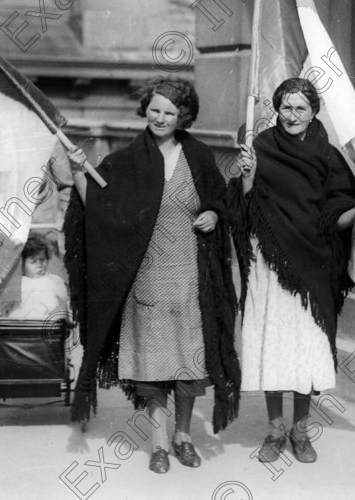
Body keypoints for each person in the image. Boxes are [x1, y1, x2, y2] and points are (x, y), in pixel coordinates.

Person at [65, 78, 241, 473]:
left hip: (192, 278)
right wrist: (79, 171)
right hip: (146, 278)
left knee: (189, 364)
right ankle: (159, 444)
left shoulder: (198, 156)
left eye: (170, 113)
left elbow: (217, 200)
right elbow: (99, 207)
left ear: (184, 117)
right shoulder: (126, 160)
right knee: (152, 367)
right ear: (146, 109)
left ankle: (183, 436)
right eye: (155, 109)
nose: (161, 118)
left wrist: (213, 214)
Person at [229, 77, 355, 464]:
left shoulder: (329, 154)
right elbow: (240, 207)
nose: (292, 115)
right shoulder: (259, 147)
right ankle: (275, 431)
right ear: (276, 109)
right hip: (269, 263)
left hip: (311, 264)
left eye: (300, 108)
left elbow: (337, 212)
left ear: (313, 111)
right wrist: (248, 175)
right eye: (286, 107)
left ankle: (300, 432)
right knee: (273, 345)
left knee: (305, 348)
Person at [9, 234, 68, 320]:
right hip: (21, 324)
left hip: (46, 324)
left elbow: (65, 300)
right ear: (21, 264)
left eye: (43, 260)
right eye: (33, 261)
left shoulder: (53, 281)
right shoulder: (16, 283)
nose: (39, 265)